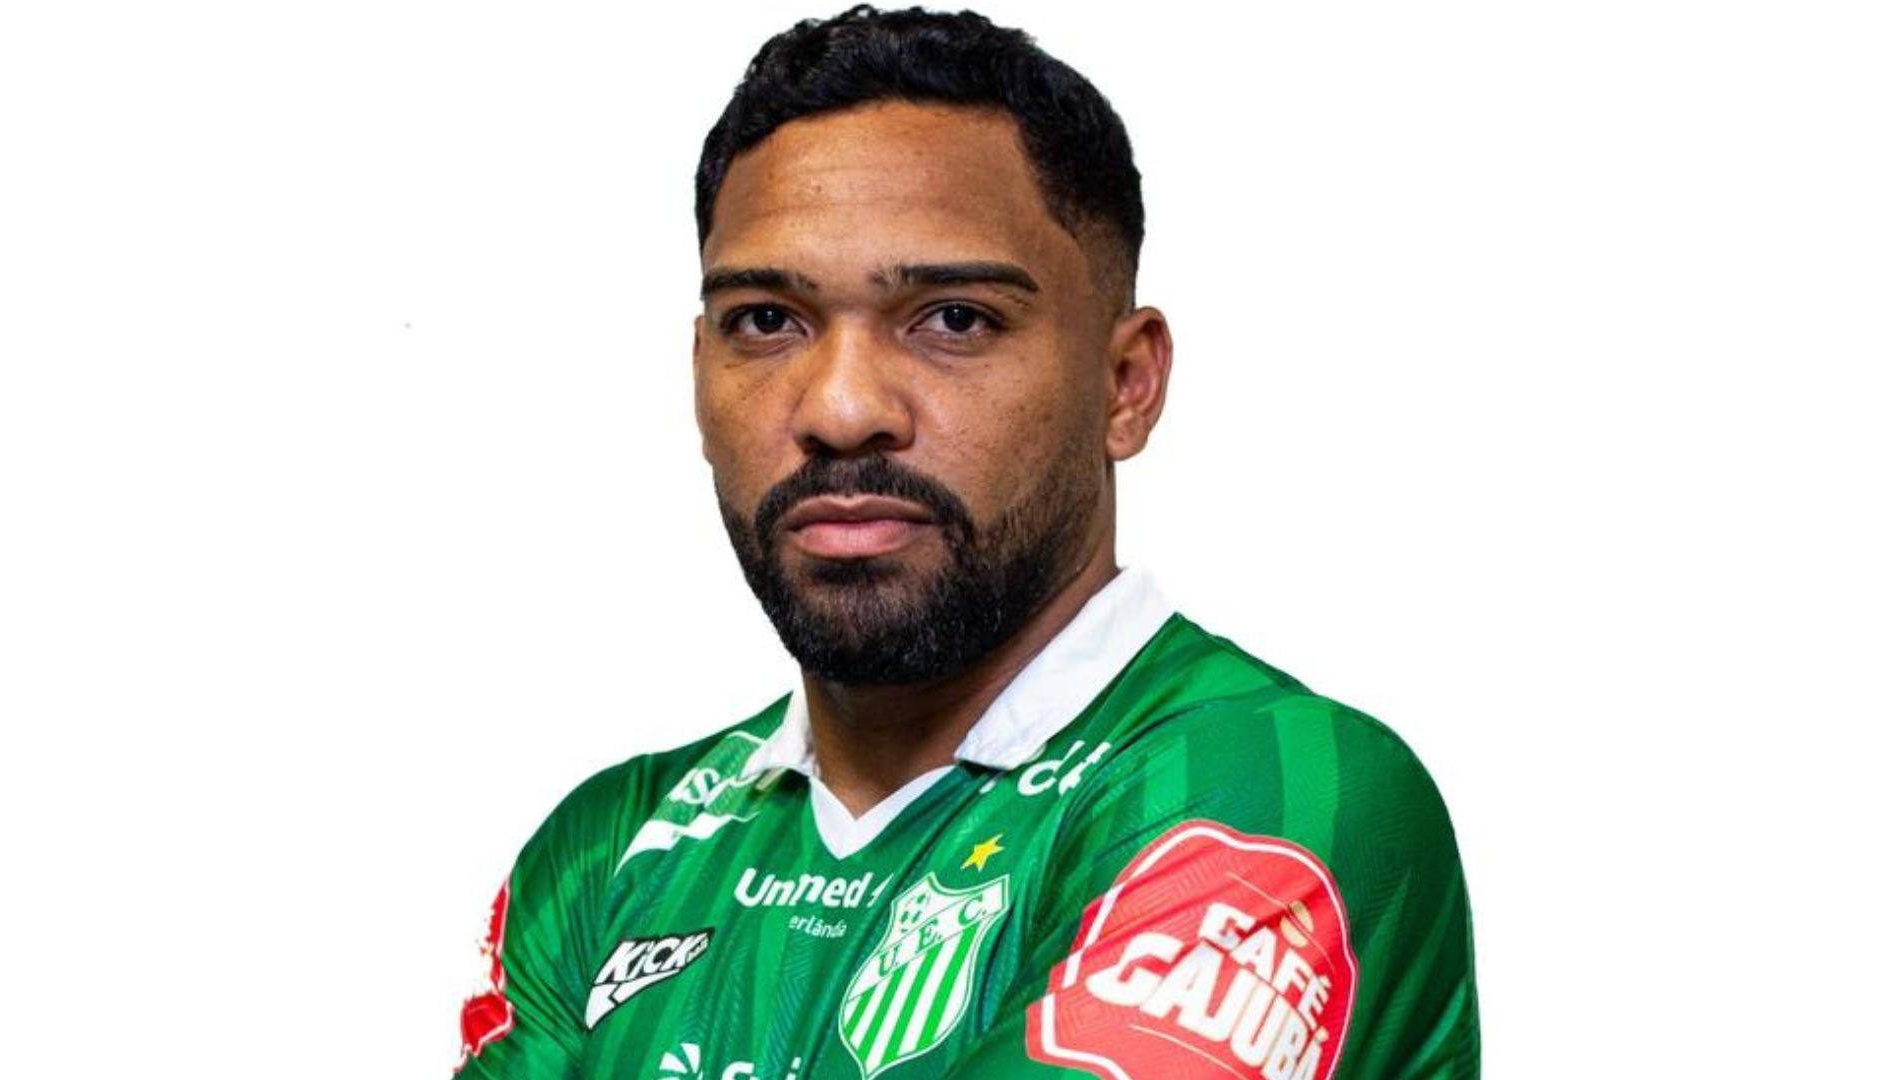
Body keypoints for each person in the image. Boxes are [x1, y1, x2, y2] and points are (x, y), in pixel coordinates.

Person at [453, 6, 1479, 1078]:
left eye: (954, 319)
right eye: (766, 319)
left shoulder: (1275, 790)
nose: (842, 409)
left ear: (1126, 385)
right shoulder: (609, 847)